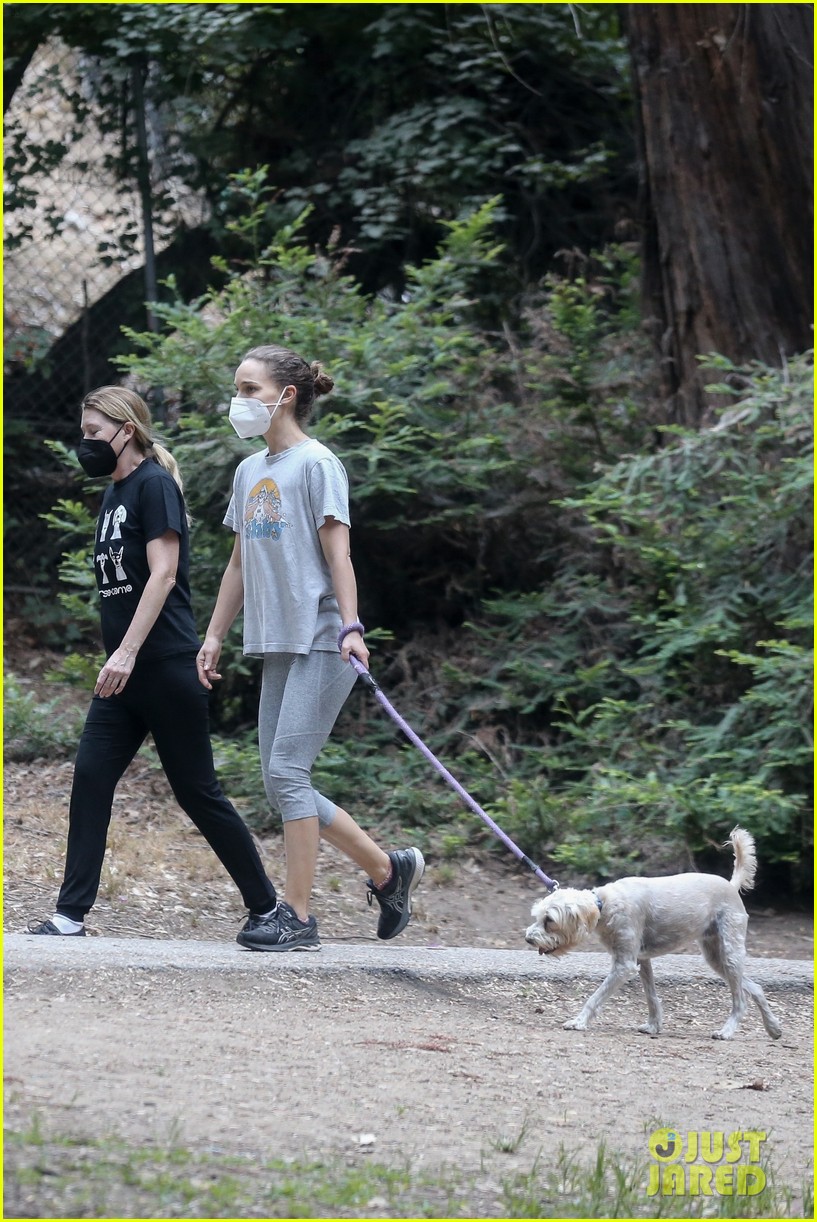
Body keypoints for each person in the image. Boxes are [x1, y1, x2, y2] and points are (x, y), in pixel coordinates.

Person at [196, 344, 424, 952]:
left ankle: (296, 916)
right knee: (279, 781)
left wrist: (352, 625)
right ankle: (387, 870)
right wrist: (215, 634)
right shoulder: (250, 472)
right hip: (278, 642)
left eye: (249, 389)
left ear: (285, 394)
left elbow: (338, 553)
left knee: (289, 774)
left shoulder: (318, 463)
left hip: (325, 638)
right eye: (238, 388)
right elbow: (240, 562)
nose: (238, 400)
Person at [28, 387, 279, 937]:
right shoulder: (114, 493)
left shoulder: (153, 486)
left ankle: (267, 907)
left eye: (95, 432)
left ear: (127, 430)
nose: (86, 443)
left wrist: (127, 650)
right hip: (124, 673)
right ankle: (70, 915)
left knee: (196, 791)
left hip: (162, 665)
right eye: (84, 432)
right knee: (91, 778)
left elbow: (163, 575)